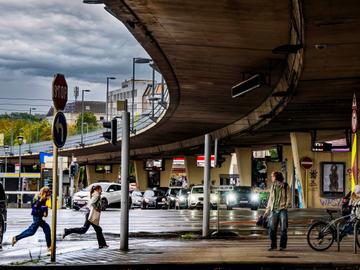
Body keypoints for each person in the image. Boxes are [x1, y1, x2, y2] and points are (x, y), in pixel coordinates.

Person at [12, 187, 51, 252]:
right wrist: (43, 210)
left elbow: (35, 205)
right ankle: (16, 238)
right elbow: (36, 206)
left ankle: (49, 246)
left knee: (47, 228)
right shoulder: (42, 198)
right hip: (37, 217)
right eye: (49, 192)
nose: (50, 193)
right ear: (45, 192)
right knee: (31, 231)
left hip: (38, 217)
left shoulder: (40, 197)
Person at [265, 171, 291, 251]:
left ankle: (282, 246)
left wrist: (286, 206)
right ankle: (273, 246)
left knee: (283, 229)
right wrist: (267, 210)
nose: (271, 178)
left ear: (276, 177)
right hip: (273, 210)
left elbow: (289, 197)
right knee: (272, 229)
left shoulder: (285, 186)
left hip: (282, 210)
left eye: (272, 176)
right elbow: (270, 199)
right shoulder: (273, 186)